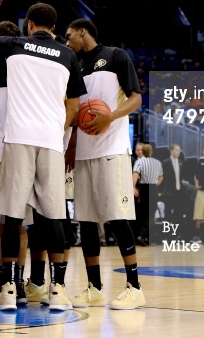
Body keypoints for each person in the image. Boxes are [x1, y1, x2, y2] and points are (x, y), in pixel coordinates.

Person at [0, 2, 86, 312]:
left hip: (19, 138)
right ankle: (57, 291)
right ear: (54, 28)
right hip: (51, 140)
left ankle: (7, 292)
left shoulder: (17, 46)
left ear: (29, 24)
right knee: (53, 215)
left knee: (13, 216)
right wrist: (58, 131)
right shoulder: (68, 54)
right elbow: (74, 105)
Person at [64, 18, 144, 310]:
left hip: (112, 148)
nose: (67, 40)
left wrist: (110, 116)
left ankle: (134, 287)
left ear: (83, 31)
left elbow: (136, 99)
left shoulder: (115, 56)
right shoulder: (77, 65)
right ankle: (94, 287)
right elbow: (77, 113)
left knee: (117, 217)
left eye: (69, 35)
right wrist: (72, 148)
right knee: (86, 220)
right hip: (85, 151)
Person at [132, 142, 163, 247]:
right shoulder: (158, 162)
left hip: (143, 188)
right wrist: (155, 184)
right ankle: (142, 235)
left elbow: (135, 175)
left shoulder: (139, 162)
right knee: (151, 214)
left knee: (141, 214)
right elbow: (161, 177)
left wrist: (133, 186)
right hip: (153, 188)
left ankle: (136, 236)